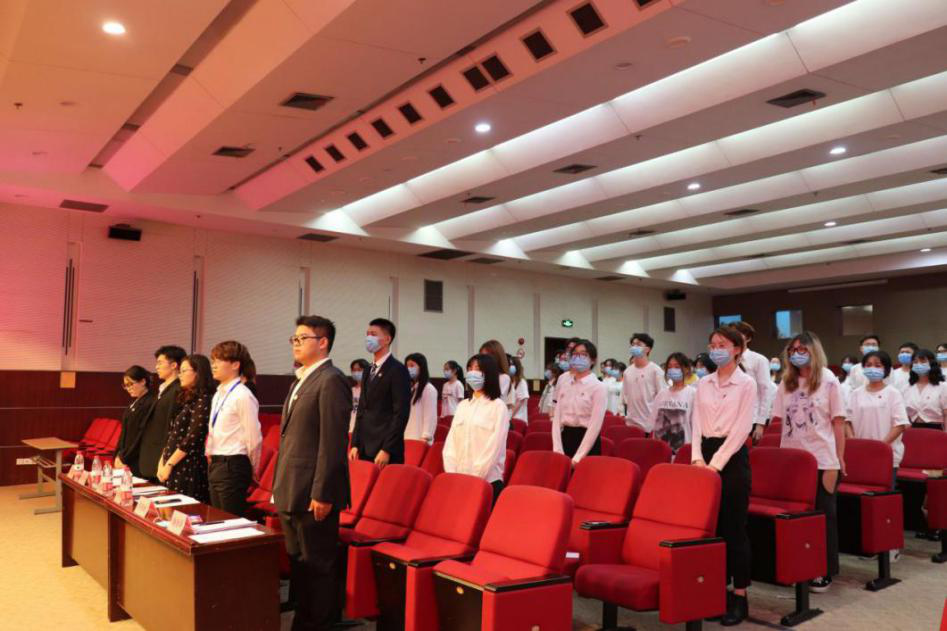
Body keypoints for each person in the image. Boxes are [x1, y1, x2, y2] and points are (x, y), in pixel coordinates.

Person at [274, 315, 352, 631]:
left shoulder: (331, 380)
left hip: (312, 492)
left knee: (317, 567)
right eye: (293, 338)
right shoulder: (300, 380)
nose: (295, 343)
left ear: (323, 342)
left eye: (302, 338)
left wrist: (323, 492)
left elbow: (332, 442)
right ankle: (303, 622)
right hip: (291, 488)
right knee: (300, 565)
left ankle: (317, 624)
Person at [691, 327, 757, 626]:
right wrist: (697, 457)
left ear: (737, 349)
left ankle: (740, 596)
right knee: (711, 530)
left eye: (723, 345)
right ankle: (716, 592)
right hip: (704, 455)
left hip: (731, 458)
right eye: (712, 344)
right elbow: (695, 422)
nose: (716, 349)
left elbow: (742, 429)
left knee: (733, 529)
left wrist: (715, 465)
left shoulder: (746, 383)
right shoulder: (703, 383)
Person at [772, 331, 846, 593]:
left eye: (802, 349)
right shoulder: (787, 381)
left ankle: (824, 569)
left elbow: (838, 422)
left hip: (823, 458)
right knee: (798, 517)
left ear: (814, 351)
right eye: (792, 350)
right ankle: (799, 565)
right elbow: (778, 420)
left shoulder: (828, 380)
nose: (797, 354)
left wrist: (840, 458)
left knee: (824, 516)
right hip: (793, 458)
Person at [206, 340, 263, 516]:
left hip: (233, 464)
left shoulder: (242, 395)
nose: (213, 365)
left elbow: (253, 437)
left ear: (235, 365)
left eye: (218, 360)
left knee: (230, 521)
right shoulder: (218, 394)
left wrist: (253, 468)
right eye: (212, 360)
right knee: (217, 518)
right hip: (216, 464)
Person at [442, 354, 509, 504]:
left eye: (477, 369)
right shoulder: (463, 406)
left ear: (488, 373)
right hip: (459, 480)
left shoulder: (498, 407)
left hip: (487, 481)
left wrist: (474, 477)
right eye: (470, 368)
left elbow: (493, 448)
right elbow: (451, 444)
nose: (472, 372)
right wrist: (453, 474)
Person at [350, 318, 411, 467]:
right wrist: (355, 443)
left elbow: (401, 414)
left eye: (373, 334)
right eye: (367, 334)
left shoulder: (398, 370)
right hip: (364, 447)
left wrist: (387, 449)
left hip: (384, 449)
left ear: (387, 339)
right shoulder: (368, 370)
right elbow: (362, 410)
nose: (368, 338)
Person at [158, 354, 212, 503]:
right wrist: (162, 462)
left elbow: (193, 437)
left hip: (187, 466)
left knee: (182, 510)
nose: (180, 375)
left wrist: (169, 464)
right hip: (173, 463)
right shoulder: (188, 398)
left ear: (198, 372)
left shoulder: (204, 399)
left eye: (184, 371)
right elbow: (172, 434)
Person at [846, 350, 909, 477]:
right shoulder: (856, 393)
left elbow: (900, 425)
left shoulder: (893, 393)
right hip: (859, 451)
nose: (872, 368)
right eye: (868, 365)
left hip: (885, 452)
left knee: (881, 487)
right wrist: (852, 440)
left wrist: (880, 446)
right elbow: (847, 420)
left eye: (877, 365)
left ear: (886, 369)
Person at [136, 345, 186, 481]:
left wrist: (165, 458)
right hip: (152, 455)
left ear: (174, 365)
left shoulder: (178, 390)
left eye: (160, 363)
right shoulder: (163, 389)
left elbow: (172, 427)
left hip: (162, 456)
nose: (156, 367)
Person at [552, 340, 606, 464]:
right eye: (575, 354)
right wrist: (557, 449)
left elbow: (595, 425)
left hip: (587, 441)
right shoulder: (565, 383)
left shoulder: (598, 387)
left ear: (593, 360)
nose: (578, 357)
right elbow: (557, 418)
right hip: (565, 437)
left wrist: (579, 457)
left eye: (583, 354)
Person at [729, 323, 772, 444]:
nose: (733, 337)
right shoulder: (727, 360)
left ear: (748, 338)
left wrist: (760, 423)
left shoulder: (758, 360)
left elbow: (765, 392)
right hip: (730, 419)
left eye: (737, 334)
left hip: (751, 418)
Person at [649, 353, 695, 456]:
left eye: (677, 367)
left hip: (683, 449)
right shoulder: (662, 393)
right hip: (660, 449)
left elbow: (696, 426)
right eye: (669, 367)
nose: (672, 370)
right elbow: (653, 421)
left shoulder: (692, 393)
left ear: (686, 369)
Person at [113, 365, 155, 478]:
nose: (128, 388)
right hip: (125, 456)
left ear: (143, 381)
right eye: (125, 385)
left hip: (137, 459)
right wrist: (117, 455)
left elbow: (140, 435)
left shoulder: (150, 402)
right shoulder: (134, 403)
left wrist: (124, 458)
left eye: (131, 384)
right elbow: (124, 433)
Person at [622, 333, 666, 433]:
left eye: (638, 344)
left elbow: (662, 398)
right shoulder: (627, 372)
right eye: (633, 344)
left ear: (648, 349)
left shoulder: (656, 371)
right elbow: (625, 397)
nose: (634, 347)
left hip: (650, 425)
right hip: (630, 423)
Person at [904, 349, 947, 428]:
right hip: (913, 429)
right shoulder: (907, 387)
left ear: (931, 363)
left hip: (936, 429)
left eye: (923, 361)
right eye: (915, 362)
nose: (919, 364)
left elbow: (946, 414)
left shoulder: (942, 387)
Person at [404, 353, 437, 444]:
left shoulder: (428, 389)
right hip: (408, 436)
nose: (408, 369)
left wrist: (425, 437)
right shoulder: (411, 388)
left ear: (421, 367)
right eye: (407, 366)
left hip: (420, 439)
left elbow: (430, 416)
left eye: (412, 365)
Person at [480, 340, 513, 414]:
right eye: (481, 357)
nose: (483, 361)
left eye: (487, 357)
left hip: (494, 415)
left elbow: (492, 399)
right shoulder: (481, 375)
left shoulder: (504, 378)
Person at [349, 359, 370, 433]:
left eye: (359, 370)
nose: (356, 372)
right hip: (350, 429)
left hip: (366, 430)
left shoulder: (372, 390)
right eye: (354, 370)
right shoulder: (350, 391)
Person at [510, 356, 530, 425]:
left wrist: (509, 416)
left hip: (518, 419)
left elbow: (519, 402)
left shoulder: (522, 382)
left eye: (511, 364)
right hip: (511, 418)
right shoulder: (511, 381)